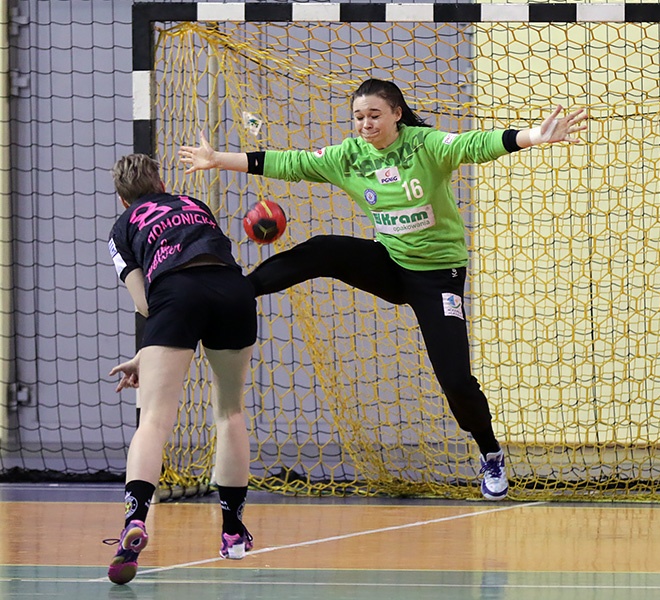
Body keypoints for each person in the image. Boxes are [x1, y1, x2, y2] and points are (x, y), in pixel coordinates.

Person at [178, 78, 588, 501]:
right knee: (324, 249)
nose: (365, 123)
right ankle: (241, 291)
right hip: (389, 264)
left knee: (456, 381)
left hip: (437, 277)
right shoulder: (349, 157)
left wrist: (532, 137)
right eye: (359, 116)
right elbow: (290, 162)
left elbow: (474, 144)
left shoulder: (425, 145)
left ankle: (490, 454)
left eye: (374, 115)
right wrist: (217, 160)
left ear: (396, 113)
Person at [105, 154, 257, 585]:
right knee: (230, 412)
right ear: (161, 183)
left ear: (122, 198)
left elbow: (146, 304)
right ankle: (233, 534)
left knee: (154, 419)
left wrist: (148, 353)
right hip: (233, 290)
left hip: (175, 294)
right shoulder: (192, 203)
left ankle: (135, 520)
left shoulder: (121, 228)